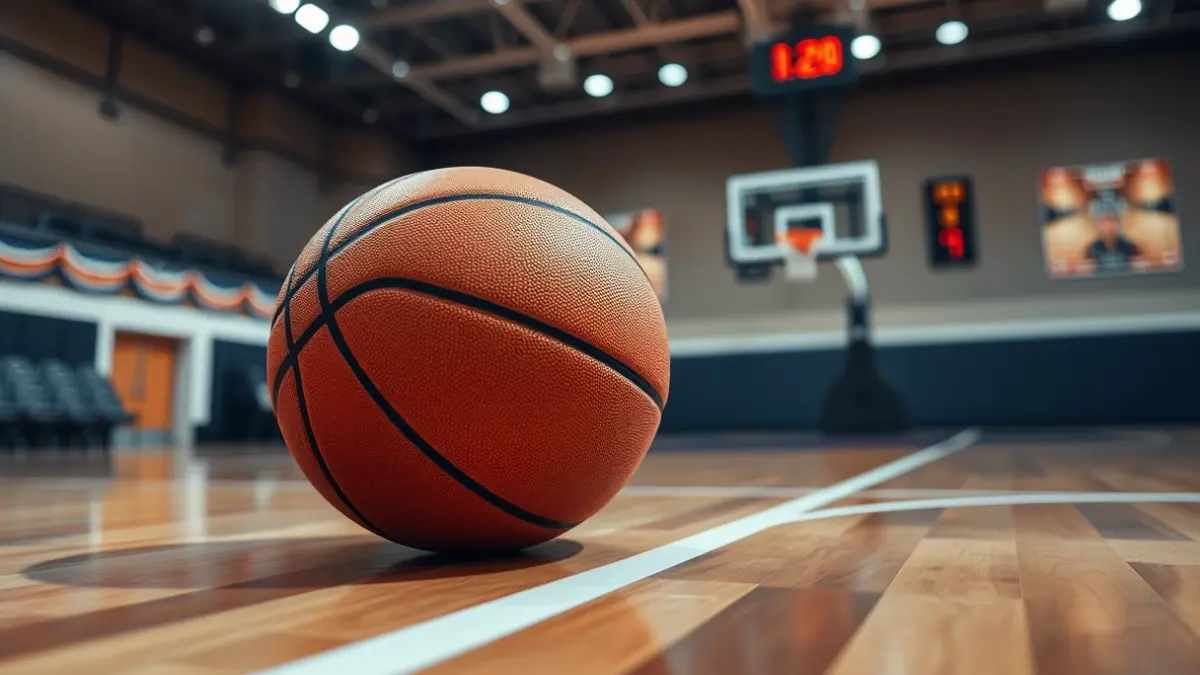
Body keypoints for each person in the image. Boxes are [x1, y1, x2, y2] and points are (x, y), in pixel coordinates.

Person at [1085, 206, 1141, 272]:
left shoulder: (1130, 246)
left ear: (1119, 224)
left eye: (1113, 221)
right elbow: (1088, 271)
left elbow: (1139, 267)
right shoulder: (1092, 249)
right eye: (1104, 222)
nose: (1109, 226)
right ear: (1098, 226)